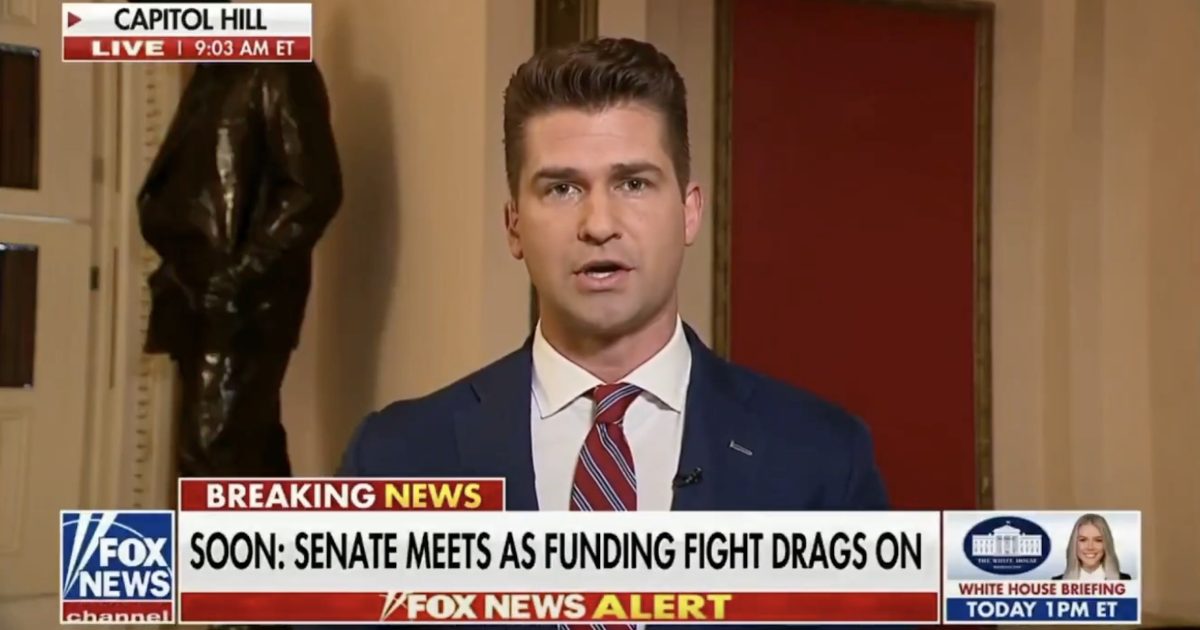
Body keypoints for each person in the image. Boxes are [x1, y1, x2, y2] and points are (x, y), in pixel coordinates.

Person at [337, 37, 887, 514]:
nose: (599, 225)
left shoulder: (822, 459)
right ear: (514, 226)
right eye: (562, 189)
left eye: (633, 184)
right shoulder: (394, 459)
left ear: (689, 211)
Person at [139, 60, 342, 479]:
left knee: (216, 458)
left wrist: (238, 276)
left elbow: (313, 190)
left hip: (241, 305)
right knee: (239, 458)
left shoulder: (278, 69)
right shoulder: (211, 74)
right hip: (199, 297)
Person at [1052, 513, 1131, 580]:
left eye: (1098, 540)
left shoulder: (1125, 580)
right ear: (1074, 544)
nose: (1090, 547)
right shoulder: (1056, 583)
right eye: (1083, 540)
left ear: (1107, 544)